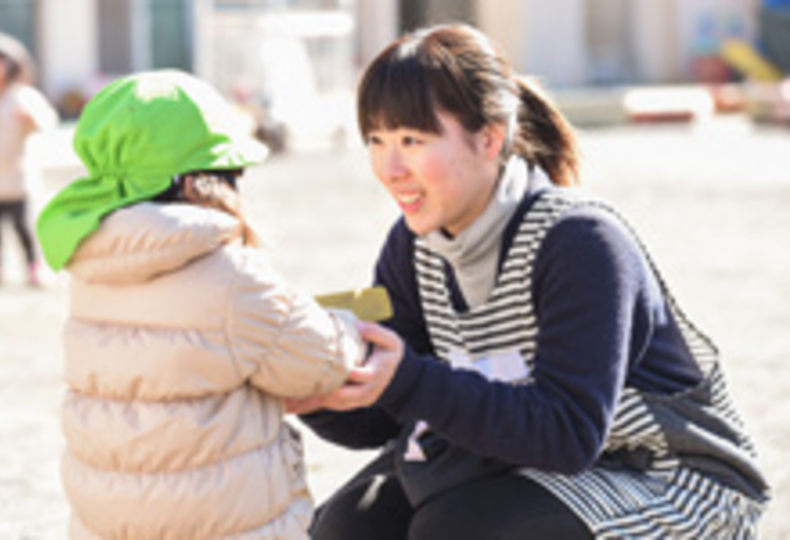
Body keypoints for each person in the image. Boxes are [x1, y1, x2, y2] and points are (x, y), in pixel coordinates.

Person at [289, 24, 770, 539]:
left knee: (456, 529)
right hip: (509, 461)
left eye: (412, 139)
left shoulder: (580, 240)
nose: (390, 167)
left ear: (490, 137)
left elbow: (568, 432)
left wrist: (406, 378)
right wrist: (320, 391)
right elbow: (392, 419)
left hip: (665, 476)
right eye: (377, 141)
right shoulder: (413, 247)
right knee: (348, 526)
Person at [35, 70, 366, 539]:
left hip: (110, 522)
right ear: (199, 183)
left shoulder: (92, 268)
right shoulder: (232, 275)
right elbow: (319, 363)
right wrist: (347, 325)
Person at [0, 32, 58, 286]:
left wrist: (31, 121)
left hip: (18, 178)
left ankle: (33, 267)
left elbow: (47, 122)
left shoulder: (23, 96)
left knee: (23, 228)